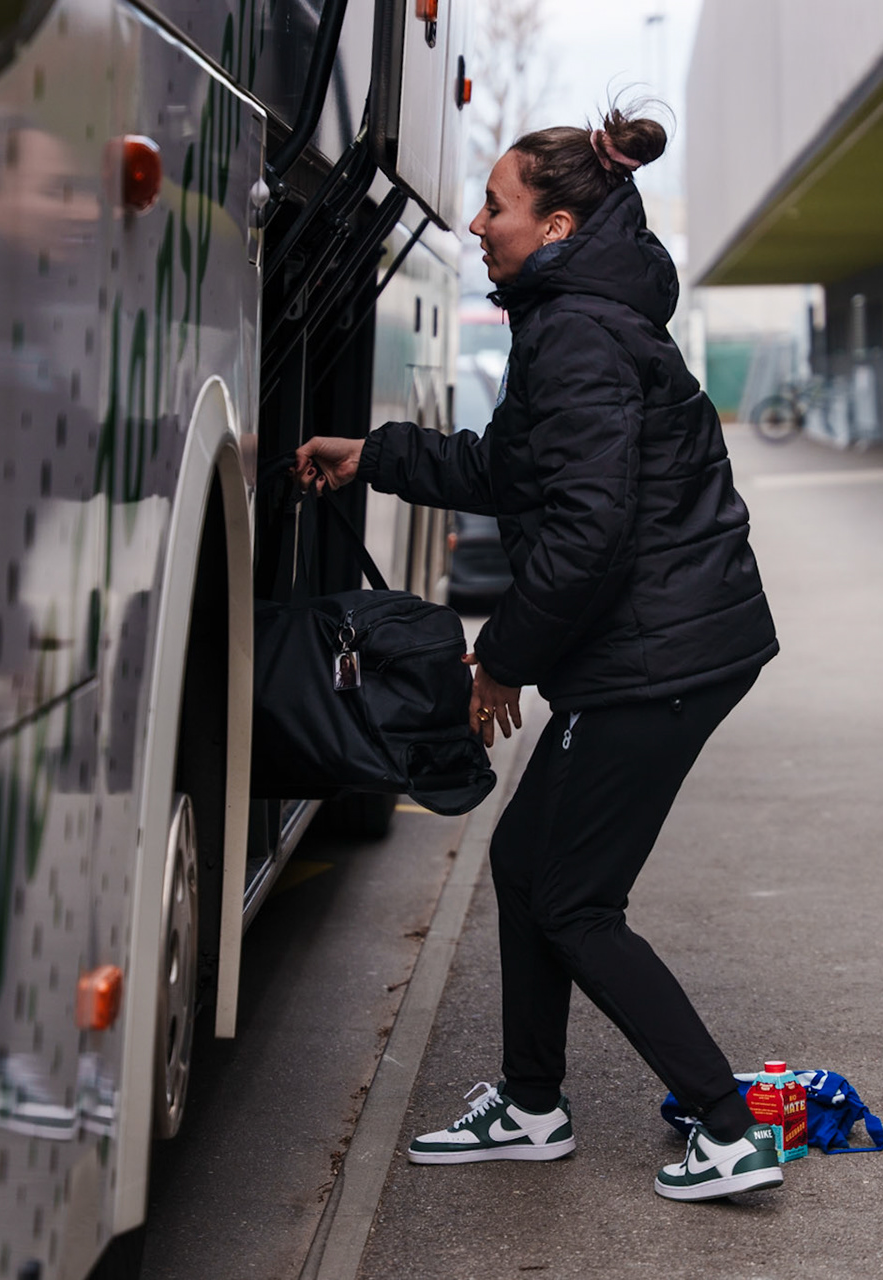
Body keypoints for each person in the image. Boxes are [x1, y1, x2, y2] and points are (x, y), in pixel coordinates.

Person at [293, 107, 780, 1201]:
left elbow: (587, 533)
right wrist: (373, 454)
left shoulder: (576, 336)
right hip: (660, 646)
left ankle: (729, 1129)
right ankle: (530, 1104)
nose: (475, 224)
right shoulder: (575, 319)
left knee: (573, 899)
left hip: (659, 660)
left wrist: (501, 659)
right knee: (525, 865)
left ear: (557, 226)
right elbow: (508, 469)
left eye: (496, 206)